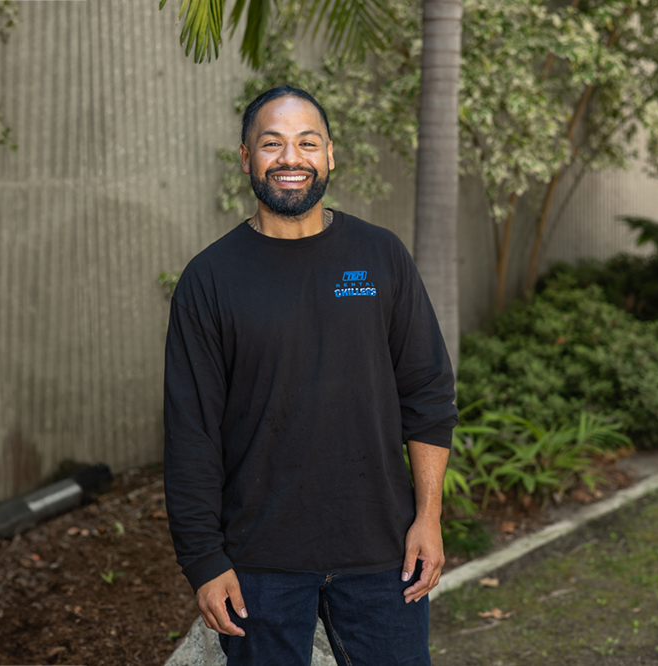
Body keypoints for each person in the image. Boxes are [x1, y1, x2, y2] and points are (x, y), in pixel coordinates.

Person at [163, 85, 457, 666]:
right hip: (258, 564)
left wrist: (428, 517)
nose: (290, 158)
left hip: (383, 554)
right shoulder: (210, 279)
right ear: (246, 158)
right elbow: (191, 432)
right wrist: (205, 561)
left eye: (307, 142)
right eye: (271, 143)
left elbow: (427, 391)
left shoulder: (381, 256)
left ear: (330, 155)